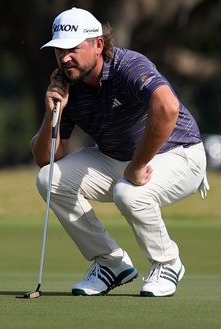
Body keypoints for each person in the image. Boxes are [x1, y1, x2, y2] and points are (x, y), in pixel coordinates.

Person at [31, 7, 209, 297]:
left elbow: (168, 107)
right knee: (48, 178)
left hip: (181, 155)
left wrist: (138, 165)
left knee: (129, 192)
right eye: (59, 51)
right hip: (117, 158)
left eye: (73, 49)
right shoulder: (67, 85)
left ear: (98, 45)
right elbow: (45, 157)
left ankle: (168, 262)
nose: (65, 58)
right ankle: (112, 264)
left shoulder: (128, 65)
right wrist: (53, 112)